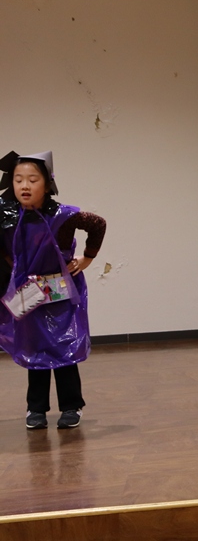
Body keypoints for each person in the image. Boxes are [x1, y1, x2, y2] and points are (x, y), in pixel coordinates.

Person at [0, 151, 106, 430]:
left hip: (59, 290)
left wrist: (87, 258)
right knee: (33, 346)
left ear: (47, 184)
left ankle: (71, 406)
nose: (24, 186)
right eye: (18, 180)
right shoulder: (7, 217)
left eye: (32, 180)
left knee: (63, 346)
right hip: (27, 290)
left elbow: (97, 224)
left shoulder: (64, 216)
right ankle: (35, 408)